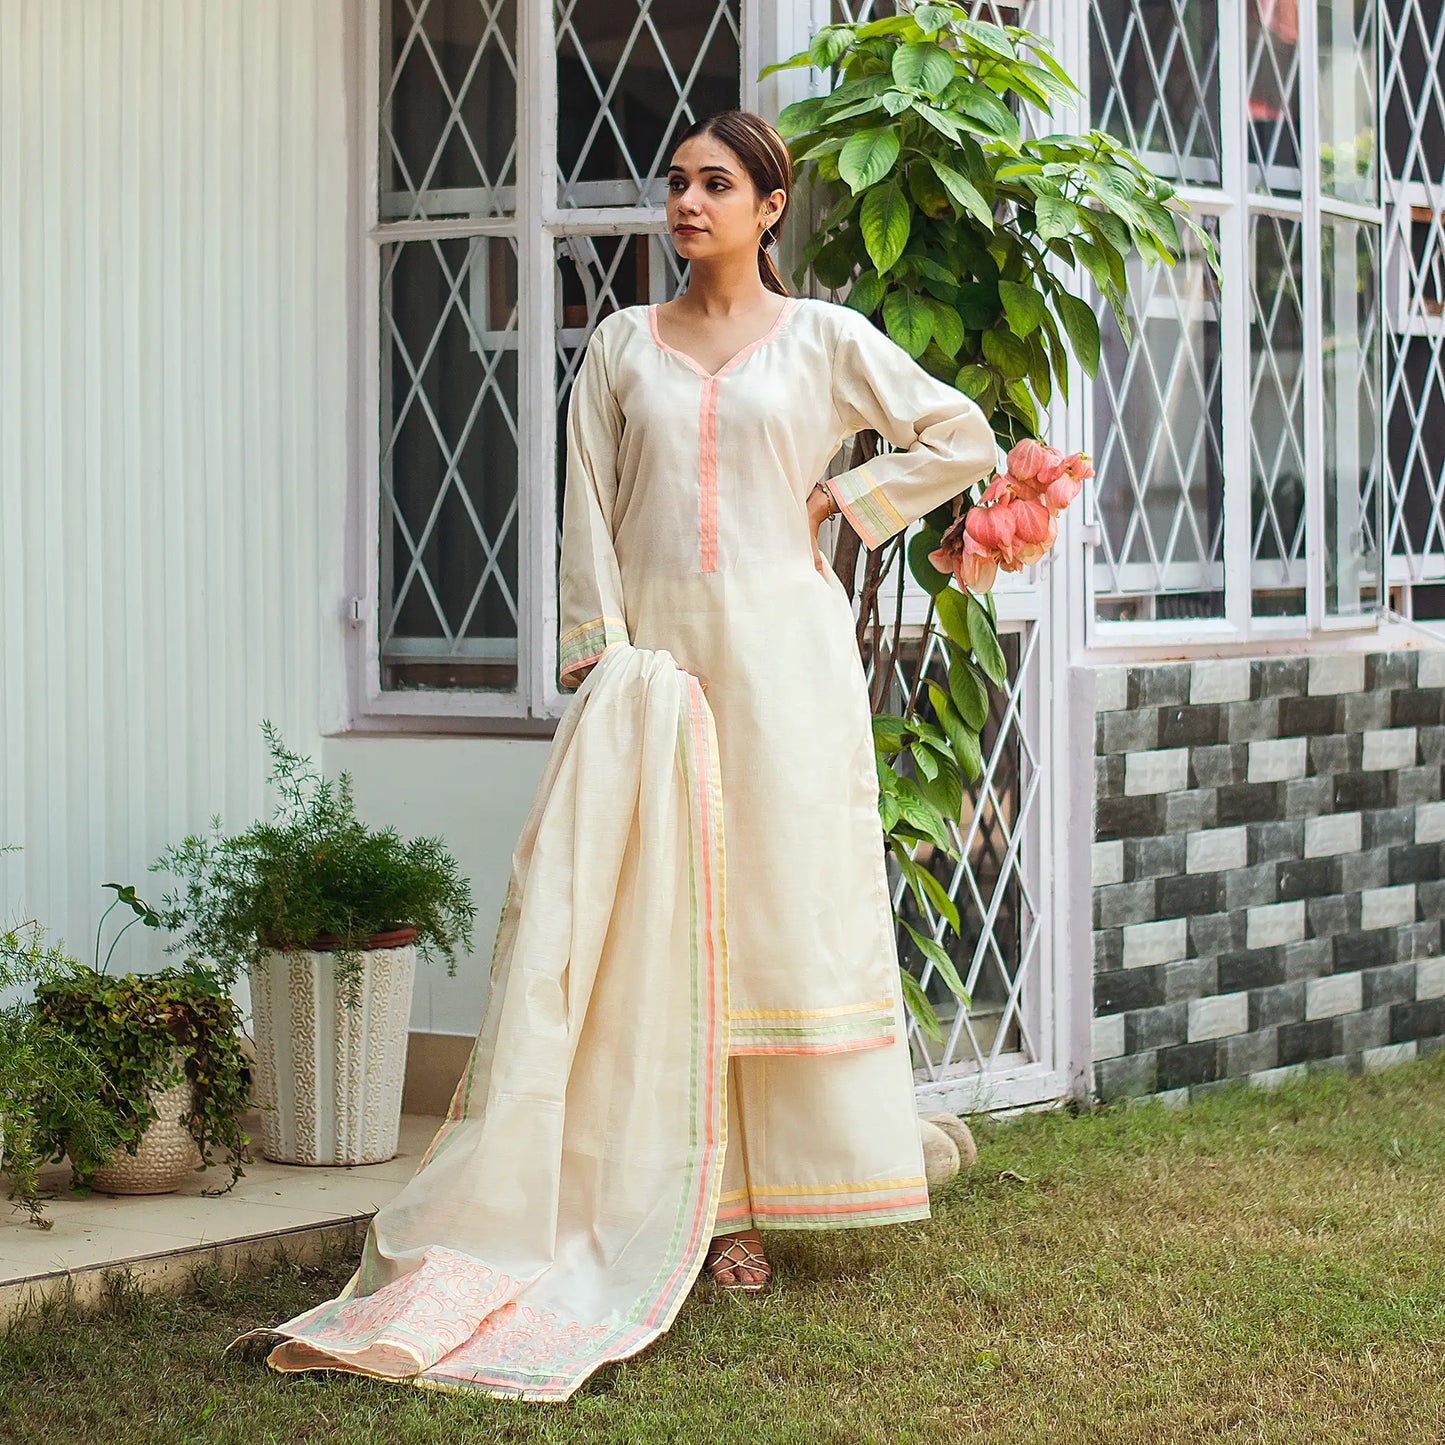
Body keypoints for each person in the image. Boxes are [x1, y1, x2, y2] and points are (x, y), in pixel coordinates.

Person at [226, 108, 997, 1401]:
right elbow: (584, 500)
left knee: (763, 915)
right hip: (660, 671)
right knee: (658, 925)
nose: (687, 202)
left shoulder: (821, 342)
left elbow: (958, 434)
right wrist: (601, 655)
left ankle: (749, 1199)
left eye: (715, 184)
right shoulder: (624, 346)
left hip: (787, 667)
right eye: (677, 183)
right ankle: (684, 1204)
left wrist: (843, 502)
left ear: (767, 204)